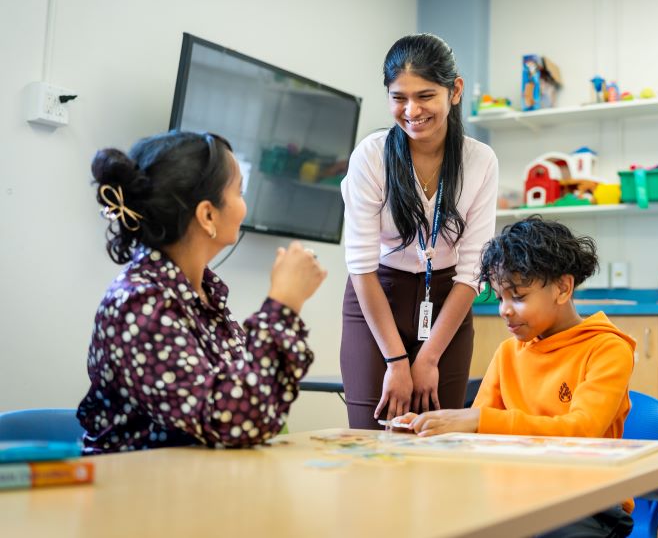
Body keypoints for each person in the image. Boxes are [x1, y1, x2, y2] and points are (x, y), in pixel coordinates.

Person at [78, 130, 327, 454]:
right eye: (239, 190)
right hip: (138, 494)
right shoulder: (139, 304)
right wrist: (282, 304)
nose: (244, 206)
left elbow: (257, 402)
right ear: (208, 214)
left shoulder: (199, 295)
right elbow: (232, 422)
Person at [403, 217, 636, 538]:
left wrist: (478, 420)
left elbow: (581, 430)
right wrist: (435, 431)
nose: (504, 310)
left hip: (590, 500)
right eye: (500, 298)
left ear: (563, 288)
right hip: (515, 494)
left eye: (519, 297)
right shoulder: (508, 352)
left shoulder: (607, 348)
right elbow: (477, 432)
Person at [340, 33, 499, 429]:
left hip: (447, 303)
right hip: (378, 299)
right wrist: (396, 361)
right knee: (371, 441)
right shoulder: (371, 156)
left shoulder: (480, 161)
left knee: (438, 442)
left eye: (425, 96)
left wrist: (428, 358)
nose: (412, 110)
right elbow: (360, 265)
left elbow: (472, 270)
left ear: (455, 91)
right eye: (399, 97)